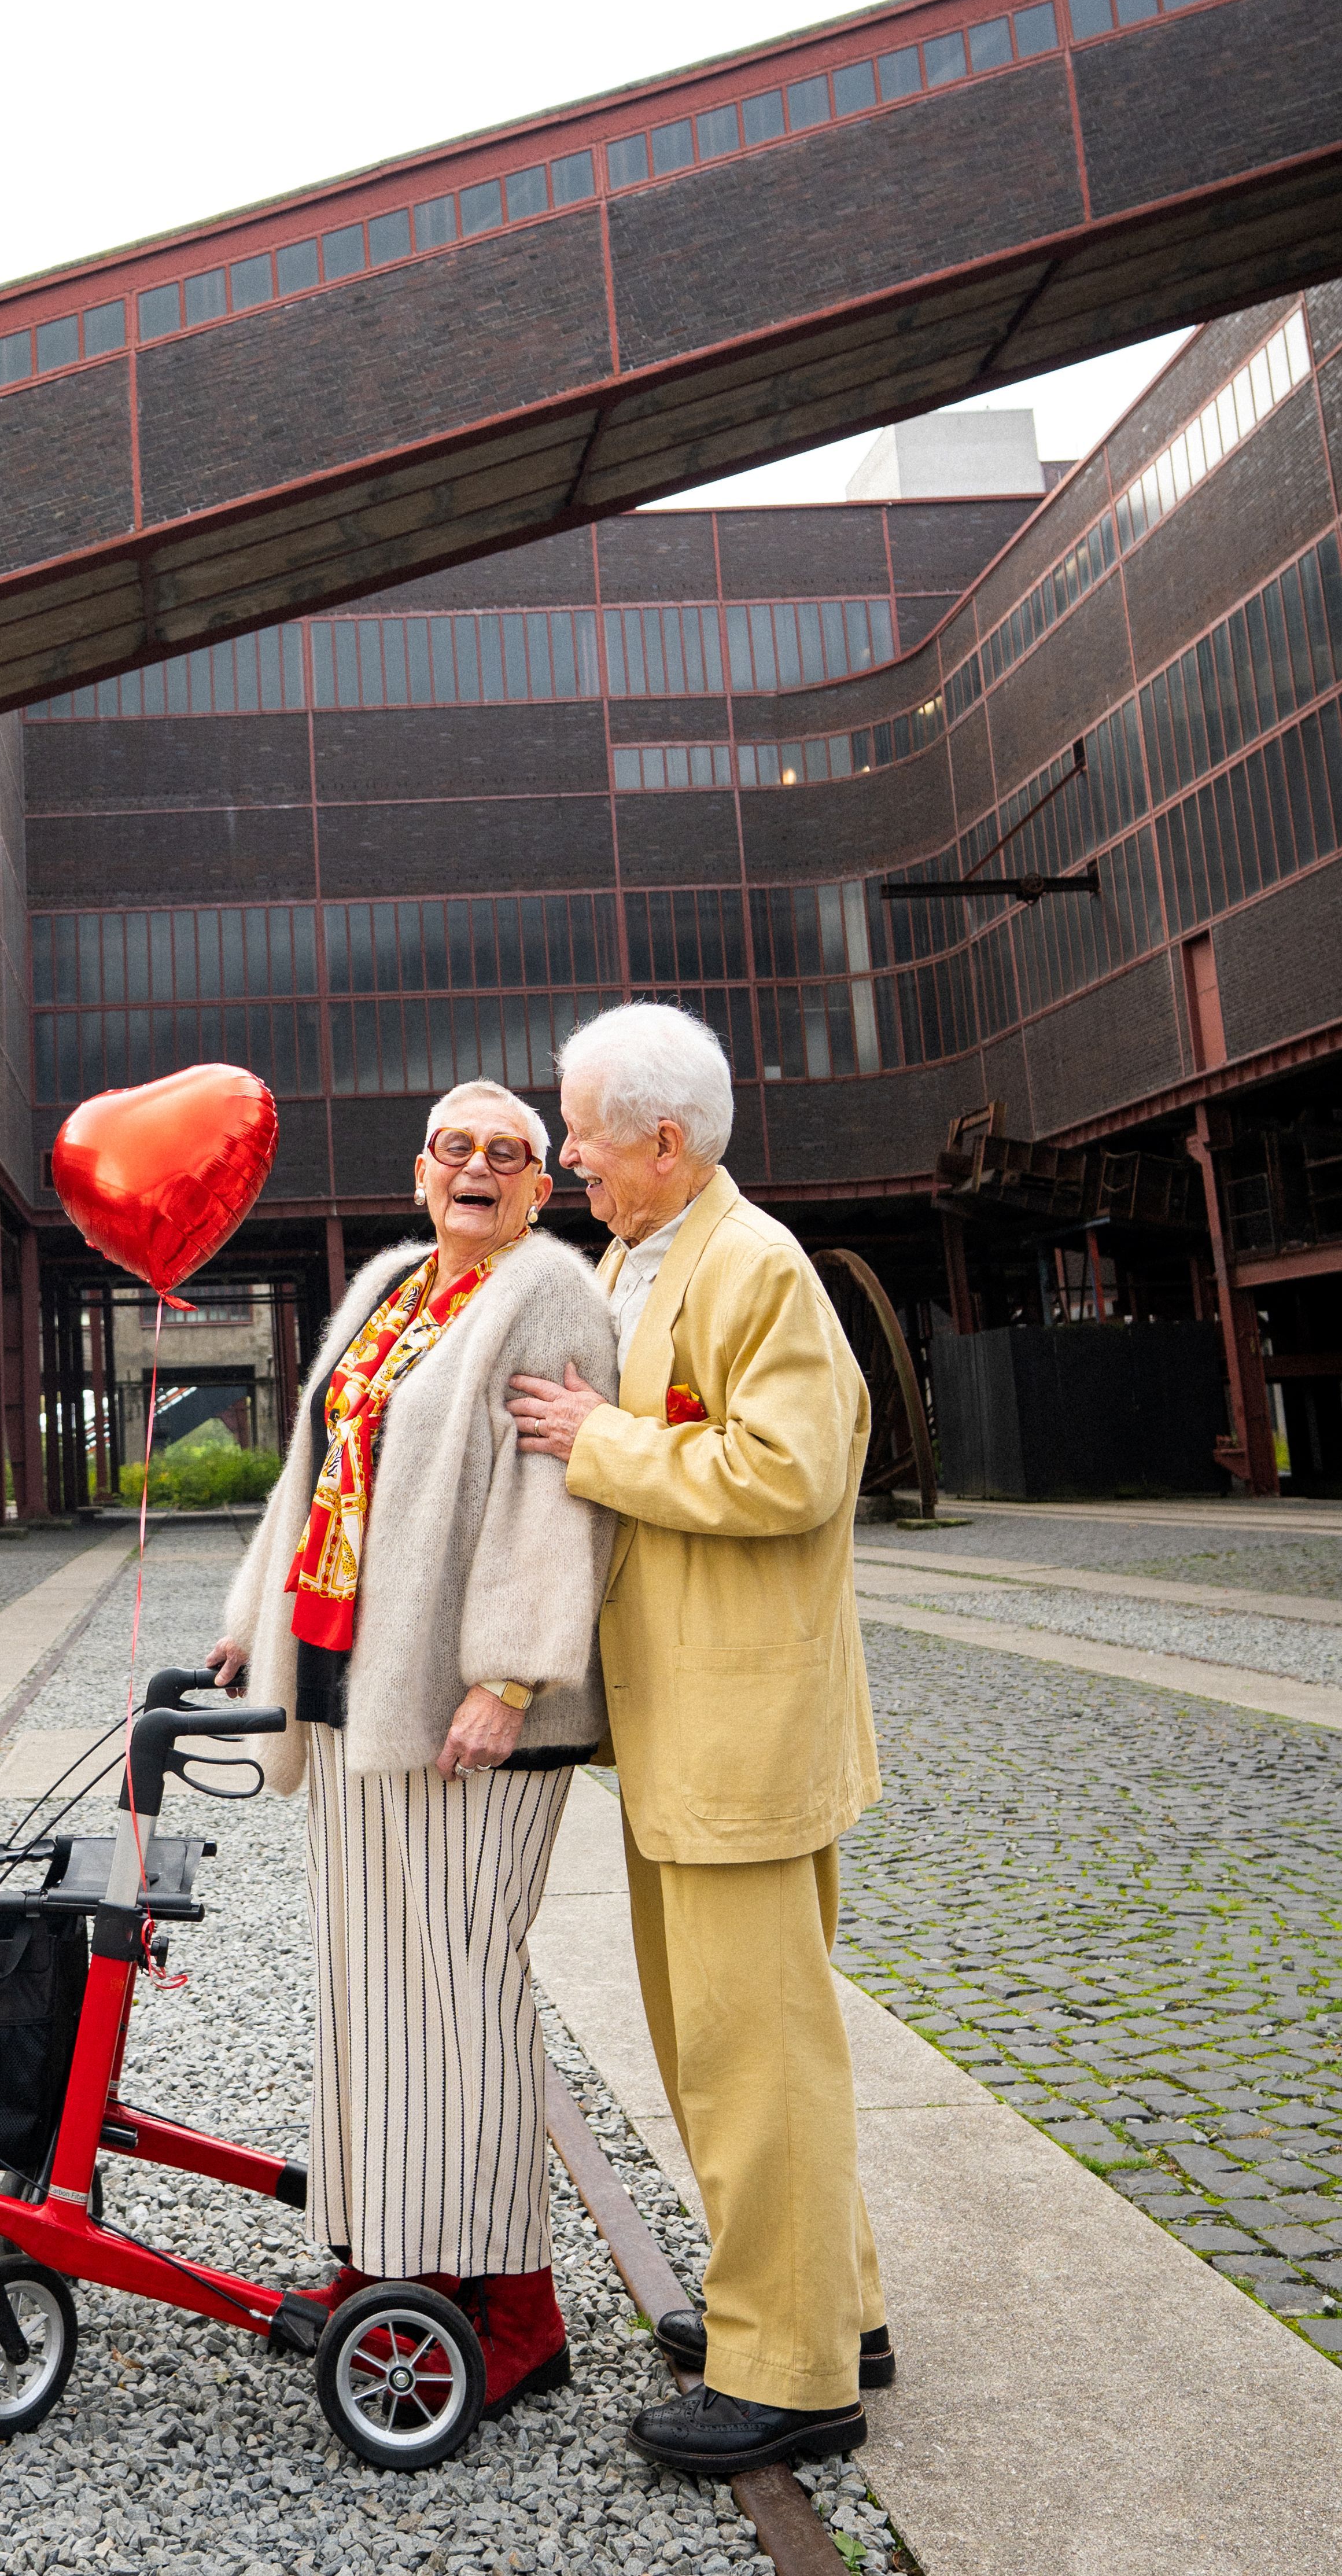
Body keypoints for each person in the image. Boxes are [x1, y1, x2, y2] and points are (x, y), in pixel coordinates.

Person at [506, 1002, 888, 2478]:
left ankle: (792, 2372)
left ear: (666, 1142)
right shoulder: (650, 1250)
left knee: (751, 2053)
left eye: (584, 1127)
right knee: (733, 2042)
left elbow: (793, 1470)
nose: (566, 1150)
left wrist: (595, 1441)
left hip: (740, 1728)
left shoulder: (753, 1262)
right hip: (695, 1725)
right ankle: (820, 2307)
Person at [205, 1078, 617, 2416]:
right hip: (350, 1692)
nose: (480, 1170)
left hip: (464, 1711)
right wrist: (248, 1626)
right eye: (458, 1149)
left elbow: (555, 1499)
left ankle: (515, 2301)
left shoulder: (549, 1294)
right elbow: (313, 1466)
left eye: (511, 1154)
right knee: (373, 1995)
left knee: (462, 1989)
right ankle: (389, 2257)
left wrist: (511, 1673)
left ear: (541, 1188)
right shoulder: (390, 1281)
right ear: (420, 1170)